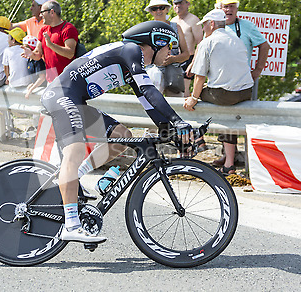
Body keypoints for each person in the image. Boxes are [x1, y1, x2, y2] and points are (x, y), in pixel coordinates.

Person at [40, 20, 194, 242]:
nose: (170, 52)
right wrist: (178, 121)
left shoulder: (132, 64)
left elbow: (149, 103)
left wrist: (169, 132)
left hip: (75, 100)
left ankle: (76, 180)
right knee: (74, 151)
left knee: (123, 136)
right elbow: (149, 90)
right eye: (169, 46)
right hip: (60, 96)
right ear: (156, 42)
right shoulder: (131, 50)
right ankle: (71, 225)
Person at [183, 9, 254, 175]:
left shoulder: (207, 42)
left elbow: (199, 77)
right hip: (246, 91)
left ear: (212, 24)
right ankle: (229, 162)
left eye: (204, 25)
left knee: (202, 94)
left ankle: (198, 140)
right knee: (226, 114)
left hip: (225, 95)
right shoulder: (236, 40)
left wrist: (193, 98)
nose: (203, 29)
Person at [215, 0, 270, 99]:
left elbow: (265, 46)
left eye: (232, 6)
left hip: (241, 83)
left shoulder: (247, 26)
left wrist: (258, 70)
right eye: (226, 6)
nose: (229, 10)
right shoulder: (211, 26)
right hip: (217, 81)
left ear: (237, 9)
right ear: (218, 9)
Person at [22, 0, 79, 99]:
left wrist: (51, 45)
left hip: (67, 82)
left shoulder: (68, 29)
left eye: (42, 12)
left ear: (52, 12)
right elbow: (38, 55)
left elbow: (70, 53)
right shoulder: (43, 30)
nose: (40, 15)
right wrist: (30, 54)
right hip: (51, 82)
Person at [145, 0, 189, 97]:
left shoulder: (176, 27)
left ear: (167, 9)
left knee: (176, 107)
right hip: (153, 73)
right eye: (154, 8)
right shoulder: (146, 29)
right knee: (153, 106)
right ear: (151, 11)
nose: (158, 11)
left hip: (173, 73)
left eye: (162, 7)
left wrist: (173, 59)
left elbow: (186, 54)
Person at [170, 0, 203, 98]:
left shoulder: (193, 20)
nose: (178, 6)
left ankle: (184, 113)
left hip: (188, 60)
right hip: (174, 59)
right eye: (175, 4)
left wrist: (193, 63)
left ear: (187, 4)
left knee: (184, 91)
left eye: (181, 3)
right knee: (172, 90)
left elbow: (200, 43)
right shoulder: (173, 21)